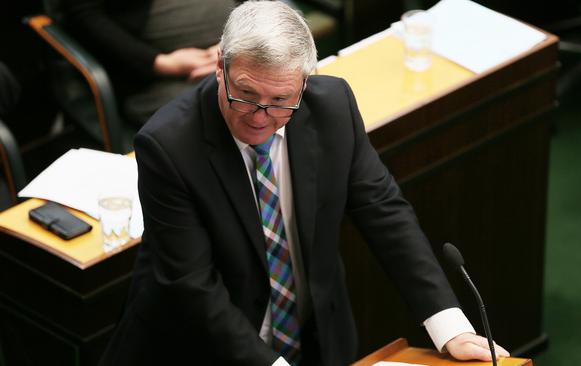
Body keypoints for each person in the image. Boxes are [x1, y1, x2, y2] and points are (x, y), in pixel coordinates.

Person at [99, 1, 510, 365]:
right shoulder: (168, 145)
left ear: (304, 83)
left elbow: (384, 212)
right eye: (246, 94)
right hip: (204, 345)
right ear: (221, 66)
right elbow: (192, 288)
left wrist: (448, 326)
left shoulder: (332, 106)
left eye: (281, 101)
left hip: (317, 337)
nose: (260, 116)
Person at [61, 0, 237, 125]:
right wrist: (161, 64)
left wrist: (238, 40)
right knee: (229, 112)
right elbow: (84, 15)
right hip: (139, 69)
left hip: (233, 46)